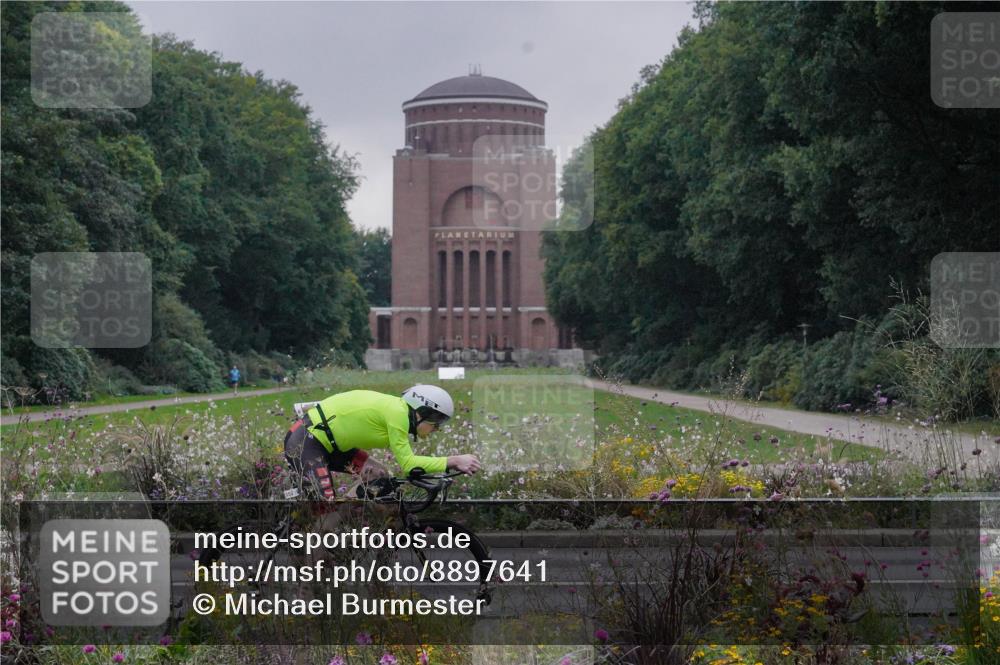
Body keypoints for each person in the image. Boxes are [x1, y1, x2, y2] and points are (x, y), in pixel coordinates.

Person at [283, 385, 481, 500]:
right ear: (422, 412)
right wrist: (454, 460)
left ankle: (349, 521)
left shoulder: (400, 411)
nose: (437, 428)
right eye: (436, 422)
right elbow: (409, 465)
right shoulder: (398, 414)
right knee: (325, 511)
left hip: (331, 445)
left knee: (378, 475)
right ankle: (313, 558)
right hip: (306, 443)